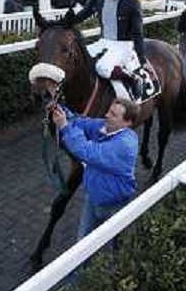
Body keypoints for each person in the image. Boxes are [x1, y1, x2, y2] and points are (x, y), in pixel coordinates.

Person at [51, 98, 139, 240]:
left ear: (127, 123)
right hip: (93, 196)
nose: (107, 115)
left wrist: (65, 127)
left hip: (114, 204)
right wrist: (62, 111)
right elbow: (84, 123)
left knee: (117, 243)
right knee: (83, 242)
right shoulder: (106, 126)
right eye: (110, 111)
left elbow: (86, 151)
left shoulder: (125, 145)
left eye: (114, 115)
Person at [67, 0, 149, 99]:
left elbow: (138, 33)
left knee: (102, 68)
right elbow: (81, 16)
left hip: (123, 45)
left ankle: (133, 78)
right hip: (104, 42)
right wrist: (60, 23)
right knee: (78, 58)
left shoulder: (132, 2)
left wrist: (141, 59)